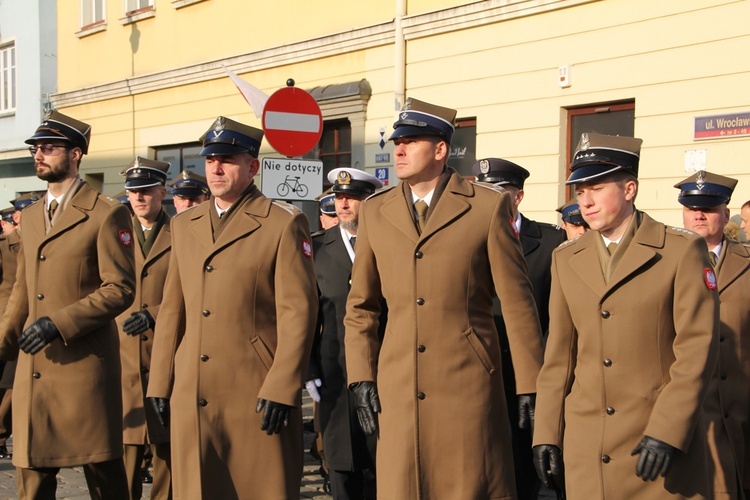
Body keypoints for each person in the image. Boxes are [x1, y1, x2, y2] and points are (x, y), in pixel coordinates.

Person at [344, 98, 544, 498]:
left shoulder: (486, 207)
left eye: (411, 141)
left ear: (440, 150)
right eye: (397, 141)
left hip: (466, 384)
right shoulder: (376, 211)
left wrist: (531, 384)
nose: (398, 149)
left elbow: (518, 301)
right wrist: (361, 376)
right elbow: (361, 306)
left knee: (468, 485)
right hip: (398, 387)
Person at [533, 133, 720, 498]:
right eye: (579, 191)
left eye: (597, 188)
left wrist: (668, 428)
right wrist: (546, 434)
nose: (585, 201)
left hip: (653, 446)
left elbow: (697, 349)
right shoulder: (566, 258)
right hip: (588, 447)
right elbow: (558, 357)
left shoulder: (680, 251)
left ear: (630, 189)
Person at [146, 116, 317, 498]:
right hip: (192, 389)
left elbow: (299, 313)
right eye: (210, 160)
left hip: (253, 388)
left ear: (252, 166)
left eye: (228, 159)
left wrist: (283, 386)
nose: (216, 168)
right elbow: (173, 307)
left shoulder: (282, 223)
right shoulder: (185, 224)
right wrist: (160, 382)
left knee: (257, 487)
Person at [0, 110, 136, 499]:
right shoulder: (28, 217)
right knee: (32, 479)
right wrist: (3, 346)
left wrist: (58, 323)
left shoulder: (107, 213)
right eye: (36, 149)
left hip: (84, 367)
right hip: (34, 370)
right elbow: (20, 292)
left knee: (104, 476)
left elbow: (119, 288)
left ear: (75, 154)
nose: (38, 155)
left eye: (49, 148)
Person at [473, 157, 565, 499]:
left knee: (526, 469)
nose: (492, 200)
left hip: (530, 376)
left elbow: (557, 318)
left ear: (519, 197)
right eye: (484, 192)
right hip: (479, 372)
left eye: (500, 191)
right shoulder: (467, 240)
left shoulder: (550, 242)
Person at [307, 167, 383, 500]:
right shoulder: (316, 250)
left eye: (353, 198)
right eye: (339, 198)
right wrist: (309, 370)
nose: (344, 205)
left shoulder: (389, 244)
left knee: (384, 466)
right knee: (341, 468)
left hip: (382, 375)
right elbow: (304, 317)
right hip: (334, 376)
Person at [676, 171, 750, 499]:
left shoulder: (747, 262)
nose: (699, 215)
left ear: (725, 211)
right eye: (692, 208)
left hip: (742, 406)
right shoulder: (662, 263)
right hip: (689, 409)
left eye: (708, 207)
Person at [117, 157, 173, 500]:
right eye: (133, 192)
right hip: (123, 356)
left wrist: (154, 312)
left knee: (167, 449)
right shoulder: (114, 231)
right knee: (124, 450)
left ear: (162, 192)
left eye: (147, 191)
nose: (139, 198)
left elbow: (194, 292)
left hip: (166, 356)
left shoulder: (182, 230)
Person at [0, 205, 22, 460]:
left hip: (24, 326)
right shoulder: (5, 245)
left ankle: (2, 435)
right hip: (4, 323)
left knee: (11, 385)